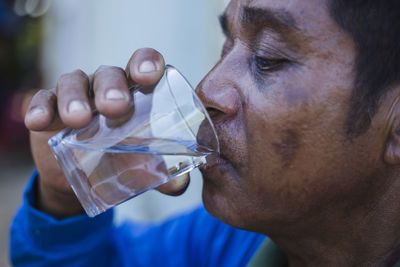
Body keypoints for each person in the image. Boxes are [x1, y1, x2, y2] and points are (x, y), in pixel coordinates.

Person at [10, 0, 400, 266]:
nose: (207, 89)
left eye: (268, 57)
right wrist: (64, 198)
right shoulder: (217, 245)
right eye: (226, 45)